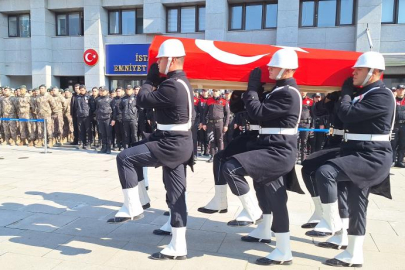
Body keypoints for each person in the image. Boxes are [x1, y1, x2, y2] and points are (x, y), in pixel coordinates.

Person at [108, 39, 194, 261]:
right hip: (177, 142)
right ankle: (178, 244)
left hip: (171, 144)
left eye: (161, 59)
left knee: (125, 158)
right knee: (176, 193)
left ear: (172, 60)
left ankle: (133, 206)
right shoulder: (181, 82)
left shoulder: (172, 85)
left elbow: (142, 100)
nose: (157, 63)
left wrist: (149, 80)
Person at [312, 52, 395, 267]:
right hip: (354, 150)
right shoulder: (362, 94)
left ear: (374, 72)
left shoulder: (382, 95)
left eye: (359, 69)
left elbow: (348, 114)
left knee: (326, 172)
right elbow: (324, 112)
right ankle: (353, 252)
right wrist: (333, 97)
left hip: (372, 155)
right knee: (356, 203)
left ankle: (331, 224)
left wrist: (346, 94)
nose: (353, 72)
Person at [221, 49, 302, 265]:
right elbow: (241, 108)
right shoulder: (276, 90)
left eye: (274, 66)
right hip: (267, 147)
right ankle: (265, 230)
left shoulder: (288, 93)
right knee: (267, 194)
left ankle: (281, 247)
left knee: (232, 168)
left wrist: (252, 89)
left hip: (278, 151)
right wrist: (246, 89)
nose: (269, 68)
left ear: (287, 70)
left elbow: (257, 112)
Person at [202, 89, 230, 162]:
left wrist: (226, 125)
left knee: (220, 140)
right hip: (210, 123)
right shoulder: (209, 101)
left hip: (220, 123)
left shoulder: (224, 101)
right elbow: (204, 113)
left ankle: (220, 156)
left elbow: (227, 114)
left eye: (216, 91)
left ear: (219, 92)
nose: (215, 92)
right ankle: (212, 156)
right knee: (211, 139)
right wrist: (204, 123)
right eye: (214, 91)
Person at [95, 86, 114, 154]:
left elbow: (114, 110)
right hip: (100, 118)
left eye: (103, 91)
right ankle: (104, 148)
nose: (101, 92)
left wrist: (113, 119)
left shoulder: (111, 99)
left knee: (108, 134)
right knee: (102, 134)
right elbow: (97, 109)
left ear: (107, 91)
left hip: (108, 118)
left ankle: (108, 148)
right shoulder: (98, 99)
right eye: (100, 91)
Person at [391, 84, 405, 167]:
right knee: (393, 144)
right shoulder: (392, 100)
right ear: (396, 90)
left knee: (402, 144)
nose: (401, 91)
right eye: (400, 89)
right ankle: (392, 161)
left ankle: (400, 161)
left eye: (403, 89)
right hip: (395, 125)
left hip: (404, 125)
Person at [298, 92, 313, 163]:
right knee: (296, 142)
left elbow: (313, 114)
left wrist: (312, 126)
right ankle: (294, 160)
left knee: (304, 142)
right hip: (297, 124)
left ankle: (303, 160)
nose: (302, 92)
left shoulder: (310, 101)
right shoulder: (297, 99)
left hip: (306, 124)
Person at [75, 85, 92, 150]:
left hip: (87, 116)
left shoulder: (88, 97)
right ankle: (82, 143)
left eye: (83, 90)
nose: (82, 91)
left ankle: (89, 143)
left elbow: (91, 106)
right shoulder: (77, 97)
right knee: (81, 130)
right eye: (80, 90)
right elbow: (76, 106)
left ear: (85, 90)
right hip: (80, 116)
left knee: (88, 130)